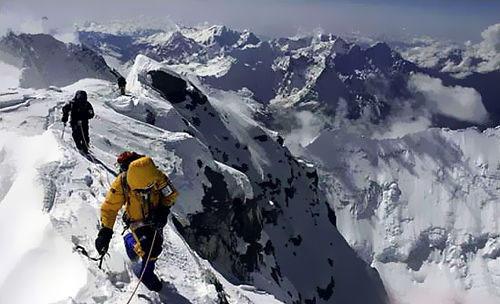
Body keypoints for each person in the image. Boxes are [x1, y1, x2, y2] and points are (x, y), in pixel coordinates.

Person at [95, 151, 178, 292]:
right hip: (136, 220)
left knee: (155, 246)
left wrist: (163, 211)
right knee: (150, 248)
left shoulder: (157, 177)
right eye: (139, 190)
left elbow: (170, 194)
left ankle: (144, 269)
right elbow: (109, 208)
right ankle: (144, 271)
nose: (142, 192)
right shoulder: (122, 182)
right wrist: (105, 231)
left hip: (155, 217)